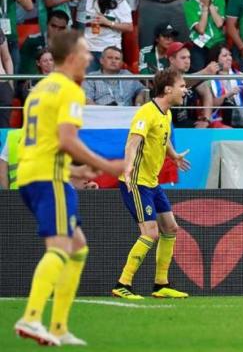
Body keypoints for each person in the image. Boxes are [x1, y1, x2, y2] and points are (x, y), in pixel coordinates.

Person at [13, 29, 125, 346]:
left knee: (78, 248)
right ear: (73, 57)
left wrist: (76, 169)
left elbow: (43, 142)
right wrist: (108, 166)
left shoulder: (39, 89)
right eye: (87, 53)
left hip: (32, 173)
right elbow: (67, 140)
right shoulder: (70, 90)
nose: (90, 58)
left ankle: (59, 327)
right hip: (49, 178)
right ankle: (31, 317)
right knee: (60, 248)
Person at [112, 68, 192, 300]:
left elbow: (162, 139)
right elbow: (133, 142)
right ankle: (123, 283)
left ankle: (161, 285)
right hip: (136, 182)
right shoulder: (146, 112)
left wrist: (174, 156)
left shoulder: (166, 114)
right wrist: (128, 167)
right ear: (167, 89)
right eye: (182, 86)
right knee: (150, 232)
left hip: (152, 183)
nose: (185, 90)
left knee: (171, 228)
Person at [81, 0, 134, 71]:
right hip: (89, 50)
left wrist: (108, 23)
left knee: (109, 79)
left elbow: (129, 27)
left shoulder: (119, 2)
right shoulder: (89, 1)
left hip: (109, 51)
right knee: (90, 79)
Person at [184, 0, 226, 73]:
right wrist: (205, 7)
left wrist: (210, 3)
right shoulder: (189, 4)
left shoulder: (220, 0)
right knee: (200, 75)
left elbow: (219, 23)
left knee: (221, 72)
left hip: (219, 43)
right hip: (200, 45)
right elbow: (201, 29)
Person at [164, 41, 216, 128]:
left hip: (188, 123)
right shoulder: (164, 76)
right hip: (168, 124)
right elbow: (178, 84)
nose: (187, 61)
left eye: (189, 57)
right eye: (183, 58)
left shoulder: (191, 74)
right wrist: (205, 72)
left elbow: (206, 93)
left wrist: (206, 119)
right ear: (172, 60)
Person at [208, 46, 243, 127]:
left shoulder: (239, 75)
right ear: (216, 60)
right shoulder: (209, 80)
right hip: (219, 119)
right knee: (226, 129)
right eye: (225, 56)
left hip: (241, 117)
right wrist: (229, 94)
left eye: (230, 55)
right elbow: (210, 104)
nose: (229, 58)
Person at [83, 46, 148, 106]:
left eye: (117, 59)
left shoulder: (127, 75)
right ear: (101, 60)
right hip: (102, 112)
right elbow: (87, 99)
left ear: (121, 63)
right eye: (110, 58)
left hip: (126, 112)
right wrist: (98, 112)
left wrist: (140, 97)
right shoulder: (92, 77)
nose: (113, 61)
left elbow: (142, 89)